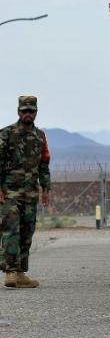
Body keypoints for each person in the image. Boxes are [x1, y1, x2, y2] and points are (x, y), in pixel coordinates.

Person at [0, 96, 51, 289]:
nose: (27, 114)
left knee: (27, 231)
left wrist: (46, 188)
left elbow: (44, 164)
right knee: (11, 229)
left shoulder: (40, 137)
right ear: (18, 112)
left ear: (36, 112)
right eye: (24, 111)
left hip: (30, 194)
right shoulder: (6, 134)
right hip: (10, 192)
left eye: (31, 111)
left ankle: (20, 272)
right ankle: (11, 272)